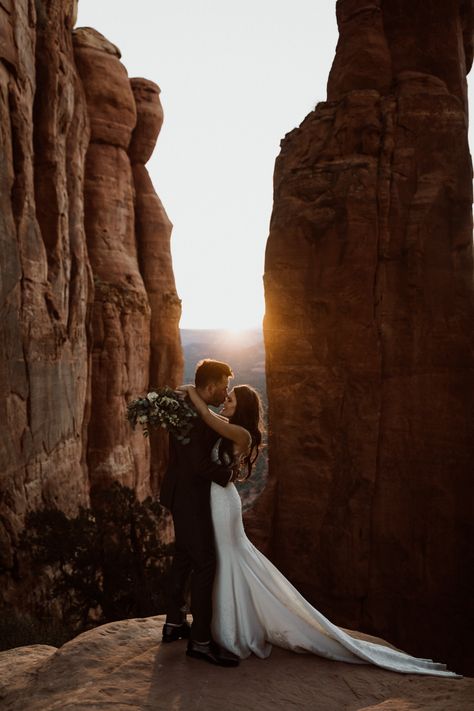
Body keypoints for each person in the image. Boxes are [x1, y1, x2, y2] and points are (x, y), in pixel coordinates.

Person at [179, 382, 460, 677]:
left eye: (231, 399)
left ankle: (228, 629)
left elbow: (207, 417)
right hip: (216, 500)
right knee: (223, 558)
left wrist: (193, 393)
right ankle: (219, 625)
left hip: (223, 504)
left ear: (243, 408)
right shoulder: (233, 426)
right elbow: (211, 418)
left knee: (226, 557)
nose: (225, 400)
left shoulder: (241, 434)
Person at [159, 359, 242, 667]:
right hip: (191, 498)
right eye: (224, 386)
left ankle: (174, 623)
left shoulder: (190, 408)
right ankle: (201, 642)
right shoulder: (195, 415)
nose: (226, 391)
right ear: (210, 387)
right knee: (205, 562)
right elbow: (198, 465)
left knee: (183, 556)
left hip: (180, 494)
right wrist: (227, 475)